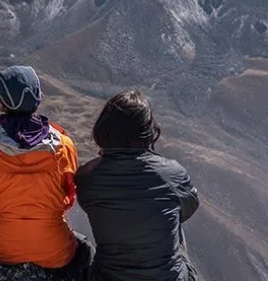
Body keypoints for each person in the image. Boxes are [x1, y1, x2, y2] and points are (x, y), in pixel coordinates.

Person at [0, 66, 91, 274]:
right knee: (86, 249)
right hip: (55, 252)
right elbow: (69, 198)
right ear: (38, 98)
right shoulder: (65, 145)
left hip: (0, 249)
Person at [76, 90, 200, 281]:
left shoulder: (87, 176)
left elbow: (89, 205)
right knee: (174, 220)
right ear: (148, 130)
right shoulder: (173, 174)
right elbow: (189, 208)